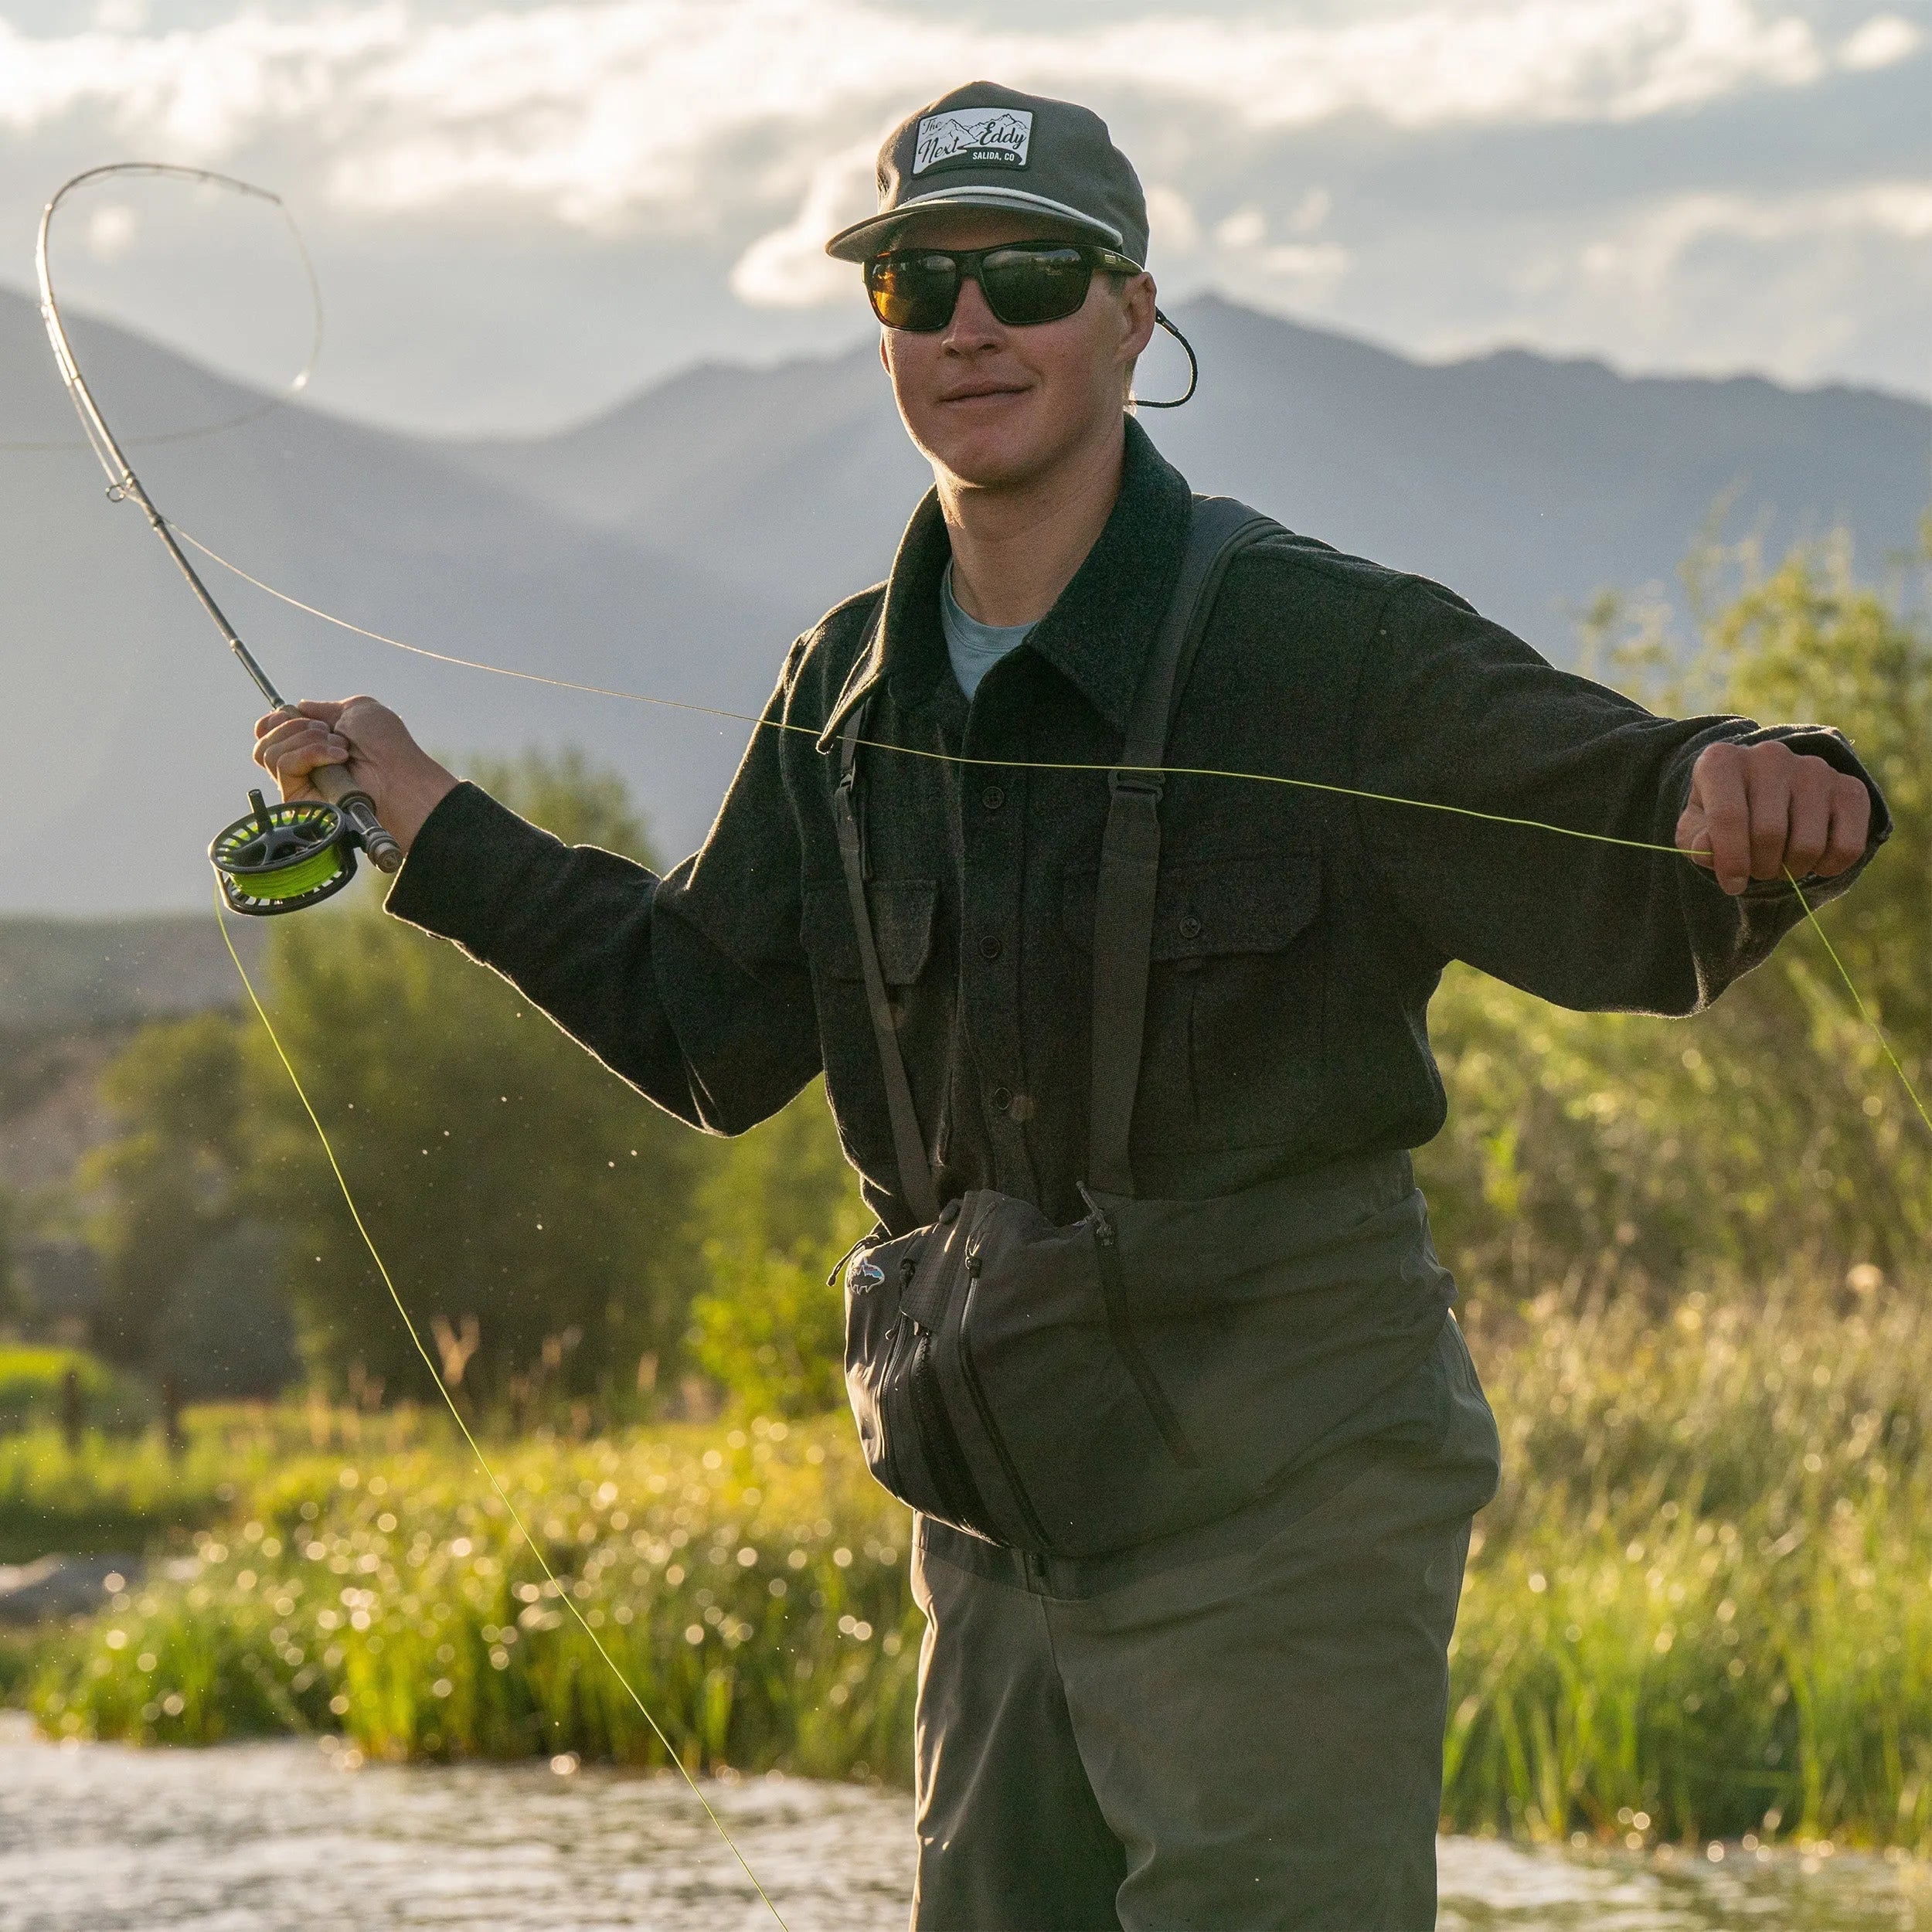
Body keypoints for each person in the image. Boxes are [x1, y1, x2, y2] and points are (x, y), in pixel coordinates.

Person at [255, 81, 1886, 1932]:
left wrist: (1771, 780)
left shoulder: (1315, 643)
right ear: (878, 329)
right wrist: (424, 817)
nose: (969, 323)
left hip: (1289, 1495)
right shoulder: (843, 692)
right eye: (915, 286)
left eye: (1026, 274)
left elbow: (1614, 829)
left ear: (1129, 311)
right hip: (997, 1513)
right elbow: (704, 1025)